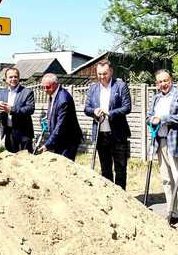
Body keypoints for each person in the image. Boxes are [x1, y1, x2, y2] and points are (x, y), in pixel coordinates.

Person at [147, 70, 178, 231]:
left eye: (165, 80)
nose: (163, 84)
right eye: (160, 82)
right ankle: (172, 212)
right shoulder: (156, 98)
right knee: (167, 179)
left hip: (176, 142)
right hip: (160, 142)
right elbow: (149, 116)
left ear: (171, 80)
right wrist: (152, 120)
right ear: (156, 84)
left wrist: (163, 118)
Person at [84, 60, 132, 189]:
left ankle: (122, 198)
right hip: (101, 134)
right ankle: (109, 197)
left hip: (118, 134)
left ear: (111, 71)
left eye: (104, 73)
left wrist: (110, 113)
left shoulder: (120, 86)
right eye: (99, 74)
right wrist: (94, 111)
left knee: (120, 169)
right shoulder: (93, 88)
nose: (102, 77)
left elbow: (127, 107)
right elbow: (86, 108)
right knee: (105, 169)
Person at [38, 73, 83, 160]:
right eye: (43, 87)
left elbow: (60, 126)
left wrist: (47, 144)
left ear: (56, 84)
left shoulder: (63, 100)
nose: (45, 90)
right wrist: (48, 119)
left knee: (65, 167)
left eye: (47, 87)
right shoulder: (53, 93)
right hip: (60, 139)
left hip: (68, 141)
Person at [0, 67, 35, 153]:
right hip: (9, 132)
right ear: (6, 79)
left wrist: (11, 110)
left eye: (15, 77)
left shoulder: (27, 92)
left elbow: (30, 109)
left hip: (24, 133)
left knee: (25, 160)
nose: (13, 79)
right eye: (10, 77)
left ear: (19, 78)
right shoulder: (2, 93)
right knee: (11, 160)